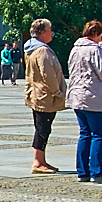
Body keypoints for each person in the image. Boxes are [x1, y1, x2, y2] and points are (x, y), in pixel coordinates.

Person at [66, 19, 102, 184]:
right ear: (95, 34)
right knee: (98, 134)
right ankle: (97, 172)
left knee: (84, 133)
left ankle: (82, 171)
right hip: (93, 96)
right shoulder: (94, 49)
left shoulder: (75, 49)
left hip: (77, 95)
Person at [23, 19, 66, 173]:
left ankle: (41, 160)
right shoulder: (42, 51)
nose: (52, 33)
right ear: (42, 33)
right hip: (45, 96)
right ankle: (38, 162)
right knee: (43, 128)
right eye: (50, 30)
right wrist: (57, 93)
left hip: (37, 94)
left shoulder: (31, 48)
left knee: (42, 128)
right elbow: (48, 74)